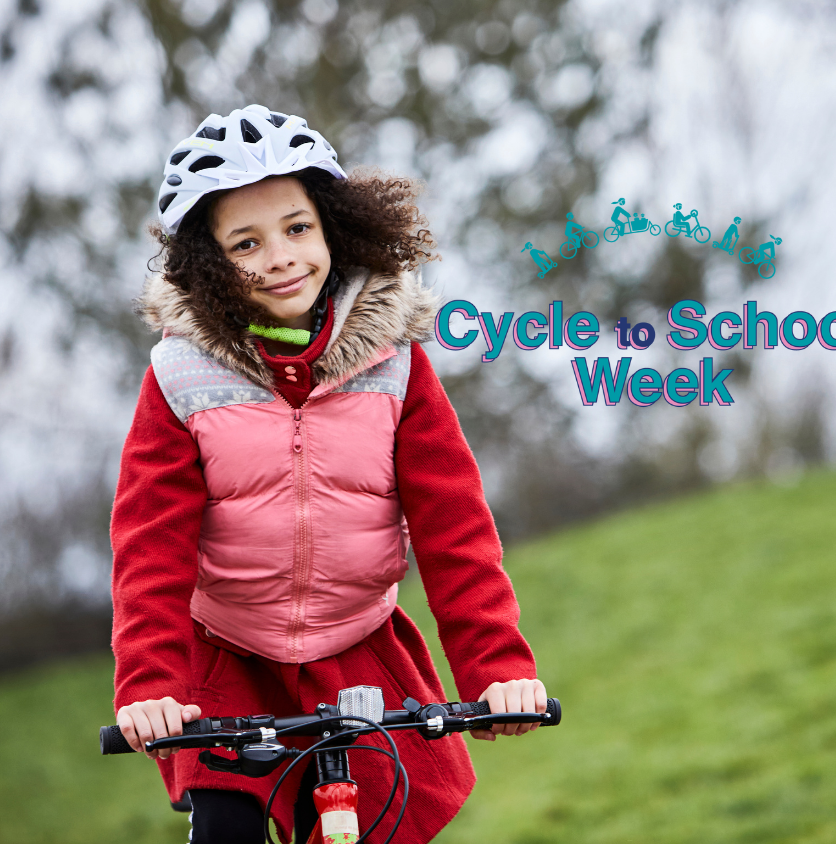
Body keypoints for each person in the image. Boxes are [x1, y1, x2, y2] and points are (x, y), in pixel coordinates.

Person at [112, 104, 546, 844]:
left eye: (297, 227)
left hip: (358, 646)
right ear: (210, 264)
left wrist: (495, 666)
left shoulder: (397, 365)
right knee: (228, 826)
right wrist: (150, 681)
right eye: (246, 243)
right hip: (227, 653)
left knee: (376, 818)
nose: (281, 256)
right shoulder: (181, 376)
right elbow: (150, 544)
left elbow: (455, 528)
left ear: (334, 228)